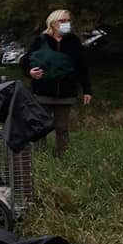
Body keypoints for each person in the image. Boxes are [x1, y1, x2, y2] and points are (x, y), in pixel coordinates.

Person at [20, 9, 92, 157]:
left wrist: (87, 89)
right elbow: (25, 60)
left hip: (66, 92)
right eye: (62, 21)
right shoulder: (40, 40)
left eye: (68, 20)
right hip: (42, 92)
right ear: (53, 23)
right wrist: (30, 72)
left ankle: (63, 156)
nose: (66, 24)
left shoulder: (73, 41)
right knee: (41, 125)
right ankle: (41, 157)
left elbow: (82, 66)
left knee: (62, 127)